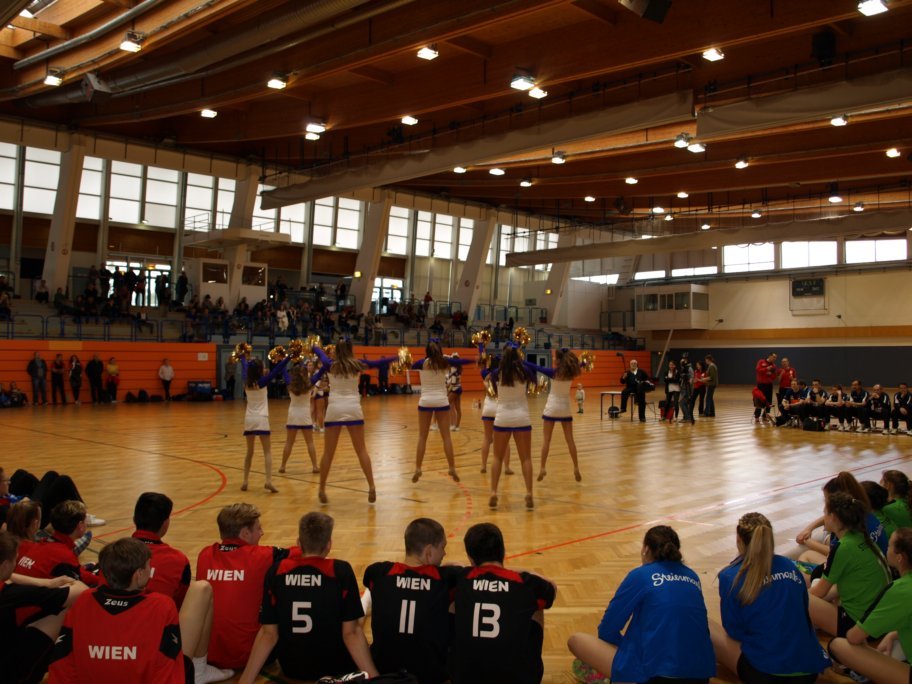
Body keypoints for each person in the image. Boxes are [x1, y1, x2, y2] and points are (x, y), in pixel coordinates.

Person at [48, 536, 231, 684]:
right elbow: (167, 666)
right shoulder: (160, 604)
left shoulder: (83, 600)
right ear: (139, 574)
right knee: (201, 589)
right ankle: (200, 672)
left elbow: (62, 663)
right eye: (149, 565)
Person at [238, 512, 378, 683]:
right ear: (329, 544)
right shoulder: (340, 571)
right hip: (336, 667)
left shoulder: (277, 571)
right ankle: (367, 599)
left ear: (299, 543)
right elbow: (351, 634)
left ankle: (366, 601)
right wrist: (375, 678)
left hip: (292, 668)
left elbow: (268, 634)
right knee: (353, 623)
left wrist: (245, 680)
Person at [567, 525, 715, 684]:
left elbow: (607, 630)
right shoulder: (692, 576)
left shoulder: (640, 575)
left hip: (655, 676)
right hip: (701, 676)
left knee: (576, 641)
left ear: (645, 549)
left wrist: (626, 649)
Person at [710, 513, 830, 684]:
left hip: (766, 673)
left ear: (738, 539)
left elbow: (733, 630)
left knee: (707, 626)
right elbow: (804, 611)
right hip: (809, 670)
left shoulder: (730, 576)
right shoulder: (789, 566)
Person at [452, 522, 556, 684]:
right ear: (503, 551)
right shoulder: (524, 582)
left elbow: (450, 565)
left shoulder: (461, 577)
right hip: (518, 679)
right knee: (536, 602)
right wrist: (517, 571)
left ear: (471, 559)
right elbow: (552, 589)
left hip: (464, 677)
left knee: (452, 600)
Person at [362, 518, 461, 683]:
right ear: (428, 552)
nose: (444, 554)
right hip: (431, 675)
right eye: (443, 548)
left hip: (385, 670)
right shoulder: (447, 578)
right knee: (455, 601)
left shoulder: (379, 572)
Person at [196, 503, 289, 671]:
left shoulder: (204, 554)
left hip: (208, 654)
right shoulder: (263, 556)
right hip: (249, 656)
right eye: (258, 528)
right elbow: (305, 551)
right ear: (245, 533)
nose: (262, 533)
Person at [313, 341, 396, 504]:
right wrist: (395, 357)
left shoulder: (330, 364)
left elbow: (319, 353)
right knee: (361, 450)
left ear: (337, 351)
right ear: (351, 350)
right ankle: (371, 486)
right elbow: (378, 363)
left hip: (335, 409)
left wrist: (315, 346)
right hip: (353, 408)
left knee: (328, 453)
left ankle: (322, 488)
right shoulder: (358, 364)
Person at [0, 530, 87, 684]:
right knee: (61, 610)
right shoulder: (11, 594)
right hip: (7, 672)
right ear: (5, 564)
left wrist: (45, 582)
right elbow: (80, 591)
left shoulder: (8, 589)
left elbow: (10, 576)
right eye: (15, 560)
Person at [828, 528, 912, 684]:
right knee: (891, 645)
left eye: (889, 546)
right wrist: (893, 634)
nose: (886, 548)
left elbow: (854, 637)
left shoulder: (900, 590)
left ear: (900, 558)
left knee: (837, 645)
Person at [808, 492, 892, 637]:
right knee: (827, 586)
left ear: (833, 517)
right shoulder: (860, 535)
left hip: (860, 624)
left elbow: (819, 592)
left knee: (803, 598)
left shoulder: (843, 547)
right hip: (880, 617)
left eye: (825, 513)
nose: (823, 517)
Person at [487, 343, 545, 510]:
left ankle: (493, 492)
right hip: (522, 417)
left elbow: (494, 391)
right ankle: (529, 493)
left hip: (502, 417)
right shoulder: (525, 371)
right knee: (526, 458)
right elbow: (534, 386)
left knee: (497, 458)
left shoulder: (497, 373)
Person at [411, 340, 473, 483]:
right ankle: (452, 468)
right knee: (446, 438)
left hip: (425, 401)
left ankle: (418, 468)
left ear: (427, 351)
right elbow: (461, 362)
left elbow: (410, 365)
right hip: (441, 401)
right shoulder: (445, 362)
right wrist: (474, 359)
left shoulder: (422, 363)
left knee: (422, 437)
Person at [15, 501, 101, 587]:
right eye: (85, 520)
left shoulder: (42, 543)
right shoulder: (64, 554)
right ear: (80, 525)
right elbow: (84, 580)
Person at [239, 354, 290, 493]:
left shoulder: (246, 381)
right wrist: (288, 358)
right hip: (261, 418)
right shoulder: (263, 381)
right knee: (267, 451)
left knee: (249, 452)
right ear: (260, 369)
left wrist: (242, 358)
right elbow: (277, 369)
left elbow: (245, 367)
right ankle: (268, 481)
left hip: (249, 418)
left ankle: (245, 481)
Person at [131, 492, 191, 608]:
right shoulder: (178, 560)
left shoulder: (111, 554)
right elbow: (180, 605)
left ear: (134, 519)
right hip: (160, 617)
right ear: (165, 523)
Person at [537, 348, 582, 482]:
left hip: (552, 407)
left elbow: (536, 367)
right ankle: (576, 467)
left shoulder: (554, 373)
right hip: (565, 408)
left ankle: (542, 468)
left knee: (546, 441)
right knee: (570, 440)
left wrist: (522, 362)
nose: (553, 359)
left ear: (558, 360)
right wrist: (584, 362)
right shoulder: (571, 371)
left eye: (555, 357)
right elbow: (581, 364)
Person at [279, 361, 325, 474]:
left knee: (289, 442)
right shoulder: (310, 383)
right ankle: (315, 466)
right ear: (305, 373)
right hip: (305, 415)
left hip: (293, 415)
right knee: (310, 442)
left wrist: (285, 358)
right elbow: (321, 372)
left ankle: (283, 466)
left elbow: (282, 368)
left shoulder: (290, 383)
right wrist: (323, 362)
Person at [479, 357, 512, 476]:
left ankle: (483, 466)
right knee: (505, 441)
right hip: (500, 408)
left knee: (487, 439)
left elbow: (483, 371)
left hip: (488, 408)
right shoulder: (504, 376)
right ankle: (506, 467)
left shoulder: (486, 376)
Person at [754, 352, 778, 423]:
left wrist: (770, 374)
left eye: (775, 358)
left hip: (769, 385)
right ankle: (757, 416)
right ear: (770, 356)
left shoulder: (774, 366)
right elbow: (758, 370)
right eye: (774, 357)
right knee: (760, 400)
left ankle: (765, 416)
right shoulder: (761, 361)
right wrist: (766, 369)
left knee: (768, 401)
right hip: (761, 384)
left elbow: (774, 376)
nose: (775, 359)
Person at [446, 353, 464, 429]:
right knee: (457, 408)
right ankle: (457, 426)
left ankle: (451, 424)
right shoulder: (457, 369)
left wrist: (448, 392)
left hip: (455, 390)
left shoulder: (454, 370)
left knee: (446, 404)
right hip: (458, 389)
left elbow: (453, 383)